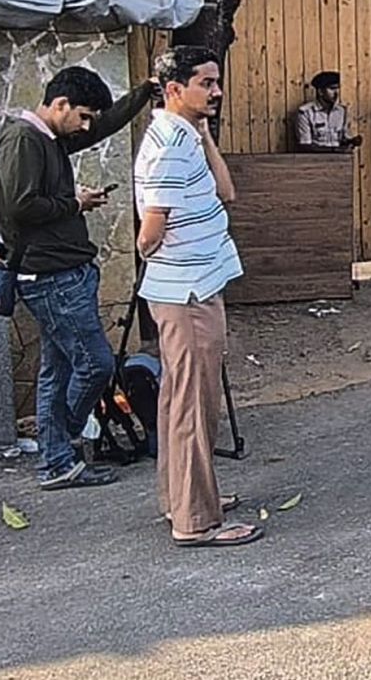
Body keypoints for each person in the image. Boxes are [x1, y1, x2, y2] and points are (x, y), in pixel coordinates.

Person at [0, 66, 158, 490]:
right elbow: (20, 208)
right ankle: (61, 436)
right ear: (59, 104)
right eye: (81, 115)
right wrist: (74, 202)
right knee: (95, 364)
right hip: (51, 277)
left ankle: (56, 463)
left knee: (59, 371)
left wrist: (142, 94)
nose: (85, 126)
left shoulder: (47, 138)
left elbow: (96, 130)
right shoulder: (24, 141)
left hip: (64, 273)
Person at [134, 45, 260, 548]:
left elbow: (226, 192)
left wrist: (206, 136)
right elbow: (149, 233)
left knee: (181, 401)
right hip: (186, 292)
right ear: (173, 89)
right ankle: (196, 521)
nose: (216, 90)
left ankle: (181, 498)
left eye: (216, 81)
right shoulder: (168, 146)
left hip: (196, 286)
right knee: (192, 405)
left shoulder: (183, 136)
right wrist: (158, 256)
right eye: (205, 83)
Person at [295, 71, 362, 153]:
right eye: (332, 88)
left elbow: (341, 139)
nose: (336, 93)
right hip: (316, 161)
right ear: (320, 92)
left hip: (339, 162)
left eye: (338, 88)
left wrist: (352, 141)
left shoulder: (341, 111)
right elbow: (305, 146)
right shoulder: (306, 113)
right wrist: (334, 150)